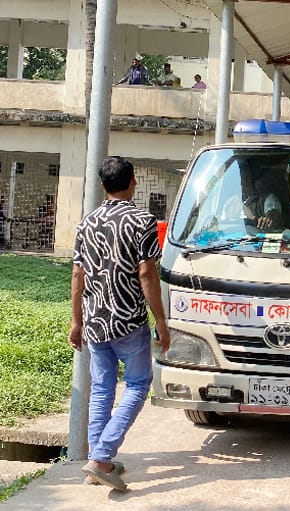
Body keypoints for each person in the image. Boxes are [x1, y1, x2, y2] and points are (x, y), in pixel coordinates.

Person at [70, 156, 170, 491]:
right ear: (133, 182)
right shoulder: (143, 221)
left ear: (102, 185)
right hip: (128, 321)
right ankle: (101, 458)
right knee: (139, 385)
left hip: (96, 322)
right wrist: (161, 319)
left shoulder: (86, 223)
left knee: (102, 389)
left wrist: (76, 321)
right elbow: (147, 273)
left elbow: (78, 275)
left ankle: (97, 463)